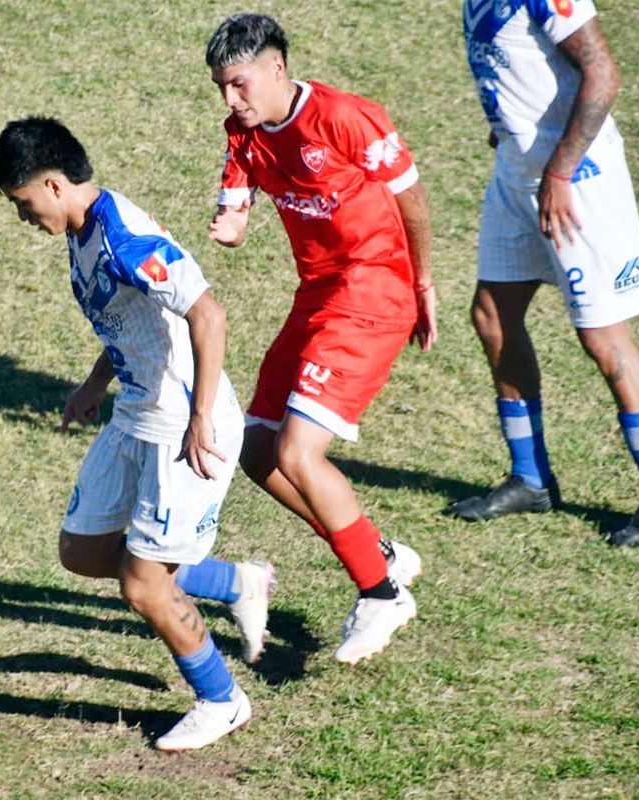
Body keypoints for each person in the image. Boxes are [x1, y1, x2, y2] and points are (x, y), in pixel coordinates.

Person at [0, 117, 274, 751]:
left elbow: (208, 314)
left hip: (184, 427)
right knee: (82, 551)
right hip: (137, 412)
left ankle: (222, 700)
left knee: (143, 586)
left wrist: (201, 417)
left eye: (24, 202)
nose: (24, 217)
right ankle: (236, 583)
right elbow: (127, 319)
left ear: (53, 184)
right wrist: (95, 385)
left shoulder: (123, 237)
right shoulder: (82, 229)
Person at [204, 14, 435, 665]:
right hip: (317, 296)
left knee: (300, 452)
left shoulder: (345, 118)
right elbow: (235, 202)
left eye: (240, 84)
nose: (231, 98)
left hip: (372, 290)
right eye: (222, 87)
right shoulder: (243, 131)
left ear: (276, 68)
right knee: (257, 451)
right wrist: (230, 224)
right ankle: (378, 553)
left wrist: (422, 284)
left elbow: (412, 200)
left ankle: (382, 593)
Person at [453, 0, 639, 546]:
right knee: (492, 316)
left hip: (576, 181)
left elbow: (603, 74)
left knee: (602, 337)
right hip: (517, 176)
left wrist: (560, 171)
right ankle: (531, 478)